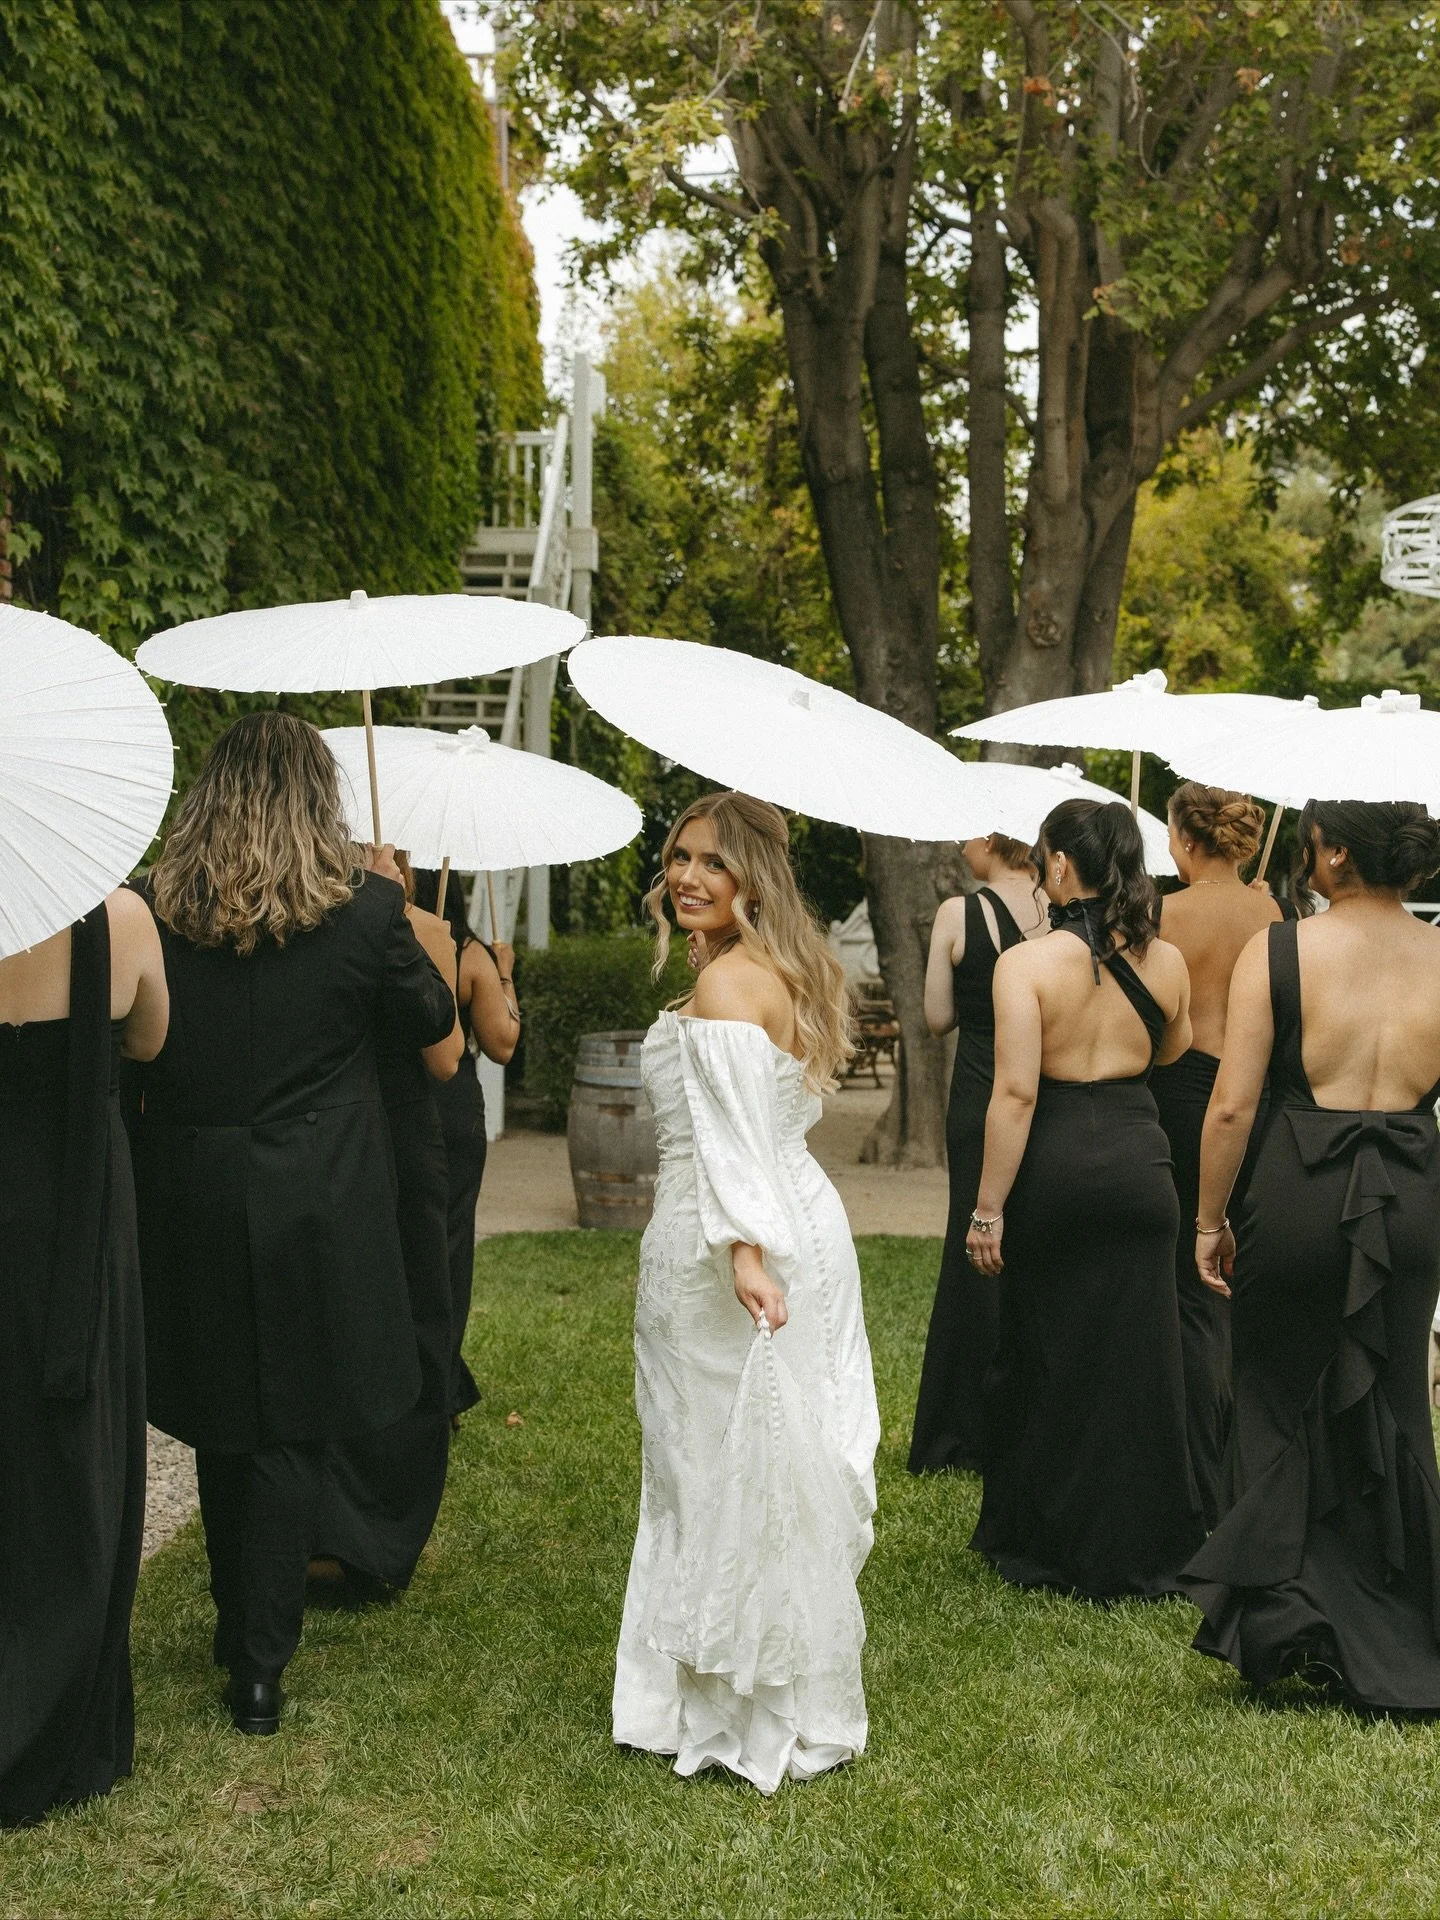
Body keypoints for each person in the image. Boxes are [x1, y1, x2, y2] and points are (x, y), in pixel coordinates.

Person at [129, 714, 455, 1736]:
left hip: (187, 1194)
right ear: (320, 800)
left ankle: (245, 1633)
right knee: (285, 1432)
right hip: (320, 1203)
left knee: (231, 1422)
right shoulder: (362, 912)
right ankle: (259, 1664)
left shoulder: (150, 906)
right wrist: (395, 902)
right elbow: (435, 1022)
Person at [613, 791, 879, 1793]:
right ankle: (777, 1689)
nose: (686, 877)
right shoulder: (770, 972)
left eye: (711, 864)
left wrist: (742, 1257)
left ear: (752, 879)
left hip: (728, 1244)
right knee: (764, 1466)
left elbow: (728, 1146)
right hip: (796, 1219)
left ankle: (725, 1705)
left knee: (714, 1465)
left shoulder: (727, 985)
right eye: (679, 858)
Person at [1181, 800, 1440, 1712]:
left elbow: (1229, 1107)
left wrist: (1209, 1219)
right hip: (1412, 1196)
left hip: (1296, 1193)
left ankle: (1294, 1625)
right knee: (1400, 1401)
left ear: (1331, 851)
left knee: (1276, 1393)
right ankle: (1402, 1625)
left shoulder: (1282, 950)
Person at [968, 798, 1204, 1599]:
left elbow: (1015, 1094)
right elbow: (1175, 1047)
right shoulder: (1165, 961)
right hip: (1142, 1164)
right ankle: (1145, 1543)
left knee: (1048, 1351)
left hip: (1057, 1167)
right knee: (1140, 1364)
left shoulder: (1024, 966)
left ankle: (1053, 1541)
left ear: (1062, 866)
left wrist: (987, 1208)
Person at [0, 893, 167, 1827]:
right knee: (76, 1442)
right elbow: (150, 1037)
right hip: (75, 1201)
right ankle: (62, 1714)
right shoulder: (121, 916)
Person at [309, 854, 463, 1598]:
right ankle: (340, 1526)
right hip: (358, 1138)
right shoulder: (323, 922)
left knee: (403, 1321)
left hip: (394, 1139)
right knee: (361, 1322)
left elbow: (447, 1056)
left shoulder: (420, 926)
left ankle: (373, 1528)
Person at [1153, 784, 1281, 1527]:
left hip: (1184, 1095)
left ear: (1187, 838)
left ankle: (1201, 1483)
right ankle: (1246, 1464)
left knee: (1189, 1288)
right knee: (1237, 1285)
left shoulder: (1164, 915)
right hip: (1257, 1099)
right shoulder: (1275, 915)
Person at [910, 834, 1045, 1475]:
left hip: (980, 1089)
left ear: (994, 838)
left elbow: (936, 1016)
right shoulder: (1061, 909)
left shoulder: (959, 914)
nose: (962, 844)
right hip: (1047, 1092)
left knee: (972, 1247)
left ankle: (962, 1429)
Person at [412, 870, 521, 1419]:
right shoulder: (469, 953)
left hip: (396, 1102)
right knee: (451, 1243)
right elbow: (503, 1043)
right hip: (453, 1107)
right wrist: (505, 978)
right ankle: (442, 1386)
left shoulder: (389, 940)